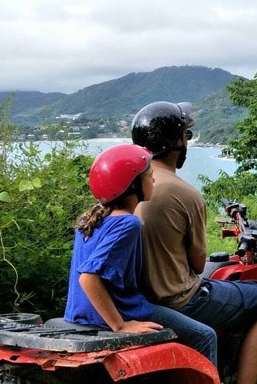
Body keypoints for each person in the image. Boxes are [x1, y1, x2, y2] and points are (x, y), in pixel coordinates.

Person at [132, 101, 257, 384]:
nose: (186, 141)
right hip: (178, 300)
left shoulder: (128, 186)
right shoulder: (184, 193)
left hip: (138, 300)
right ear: (177, 142)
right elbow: (198, 263)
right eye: (185, 135)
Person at [64, 144, 217, 364]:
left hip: (77, 314)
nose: (153, 180)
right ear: (133, 185)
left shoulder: (91, 218)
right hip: (114, 314)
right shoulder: (128, 223)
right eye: (149, 176)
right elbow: (88, 277)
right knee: (204, 336)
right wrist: (121, 325)